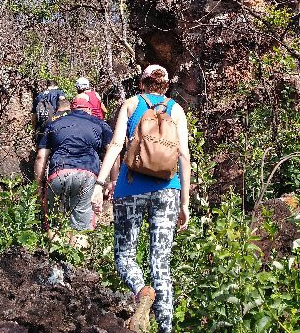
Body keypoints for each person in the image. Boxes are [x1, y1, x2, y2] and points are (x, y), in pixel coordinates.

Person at [91, 64, 191, 333]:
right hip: (167, 190)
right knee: (161, 262)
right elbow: (184, 157)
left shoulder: (131, 104)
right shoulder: (176, 110)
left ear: (141, 83)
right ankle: (165, 329)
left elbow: (115, 145)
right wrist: (184, 202)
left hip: (130, 188)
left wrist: (99, 184)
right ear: (166, 86)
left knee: (124, 256)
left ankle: (140, 289)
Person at [34, 93, 114, 238]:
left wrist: (39, 187)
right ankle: (76, 258)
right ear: (89, 109)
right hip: (87, 176)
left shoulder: (53, 124)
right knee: (81, 231)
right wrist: (112, 181)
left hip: (58, 174)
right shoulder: (100, 124)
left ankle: (53, 258)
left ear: (72, 107)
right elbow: (114, 151)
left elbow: (41, 156)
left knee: (55, 226)